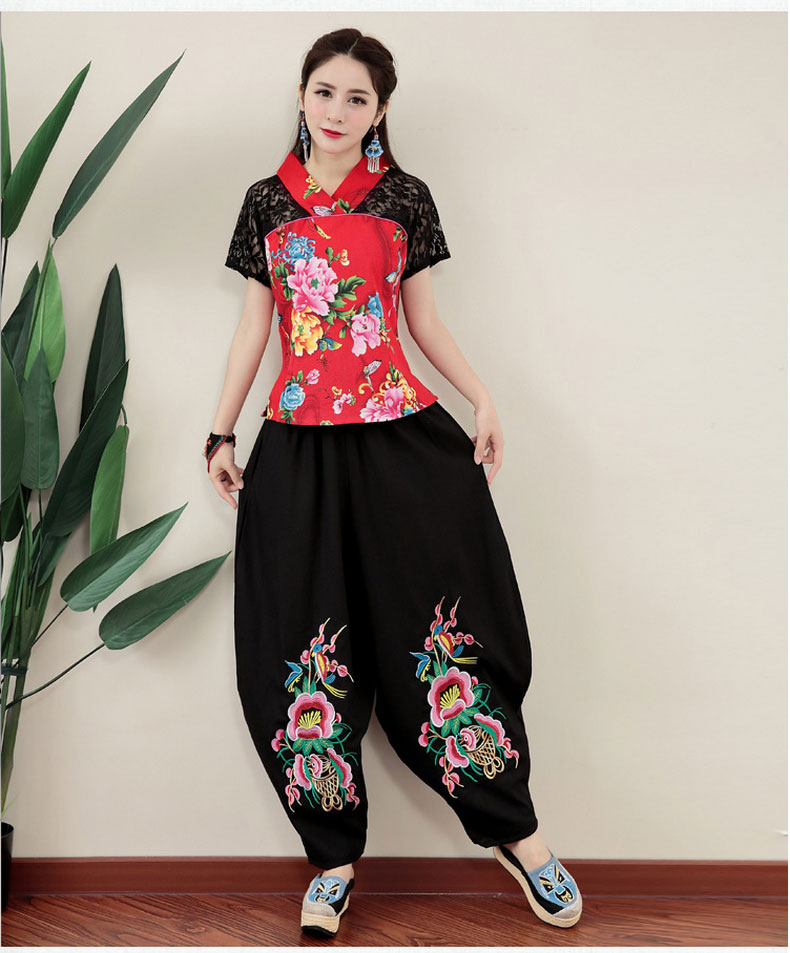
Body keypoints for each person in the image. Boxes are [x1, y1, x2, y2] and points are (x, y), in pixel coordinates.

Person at [207, 27, 582, 937]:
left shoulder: (404, 198)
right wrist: (220, 429)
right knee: (298, 643)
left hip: (400, 438)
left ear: (379, 113)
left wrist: (482, 395)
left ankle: (518, 833)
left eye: (358, 99)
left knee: (443, 629)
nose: (337, 112)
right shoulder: (266, 202)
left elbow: (422, 321)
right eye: (325, 92)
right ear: (301, 95)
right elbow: (255, 327)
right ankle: (332, 859)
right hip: (297, 448)